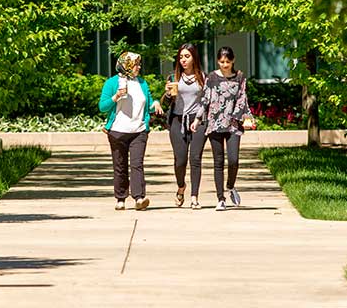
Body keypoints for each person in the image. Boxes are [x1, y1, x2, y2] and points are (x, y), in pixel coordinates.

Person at [191, 46, 256, 211]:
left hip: (233, 124)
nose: (225, 65)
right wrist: (198, 119)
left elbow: (242, 98)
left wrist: (243, 116)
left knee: (233, 160)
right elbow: (205, 99)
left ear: (233, 60)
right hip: (214, 123)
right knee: (218, 162)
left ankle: (230, 185)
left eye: (227, 61)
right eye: (221, 61)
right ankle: (220, 198)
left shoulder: (240, 77)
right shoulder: (211, 77)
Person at [99, 51, 161, 211]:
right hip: (117, 131)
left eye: (139, 64)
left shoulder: (142, 83)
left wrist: (156, 103)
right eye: (136, 65)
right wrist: (116, 96)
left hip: (138, 130)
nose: (139, 67)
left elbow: (148, 103)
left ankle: (139, 198)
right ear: (126, 65)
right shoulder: (112, 83)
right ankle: (120, 198)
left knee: (137, 164)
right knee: (120, 166)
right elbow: (102, 107)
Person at [162, 43, 207, 210]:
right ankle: (181, 187)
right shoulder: (174, 77)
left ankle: (194, 197)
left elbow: (206, 100)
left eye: (187, 56)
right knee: (180, 161)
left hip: (198, 120)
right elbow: (166, 102)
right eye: (181, 57)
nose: (183, 60)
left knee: (195, 159)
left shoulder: (203, 77)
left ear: (194, 57)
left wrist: (199, 118)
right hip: (177, 120)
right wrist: (167, 94)